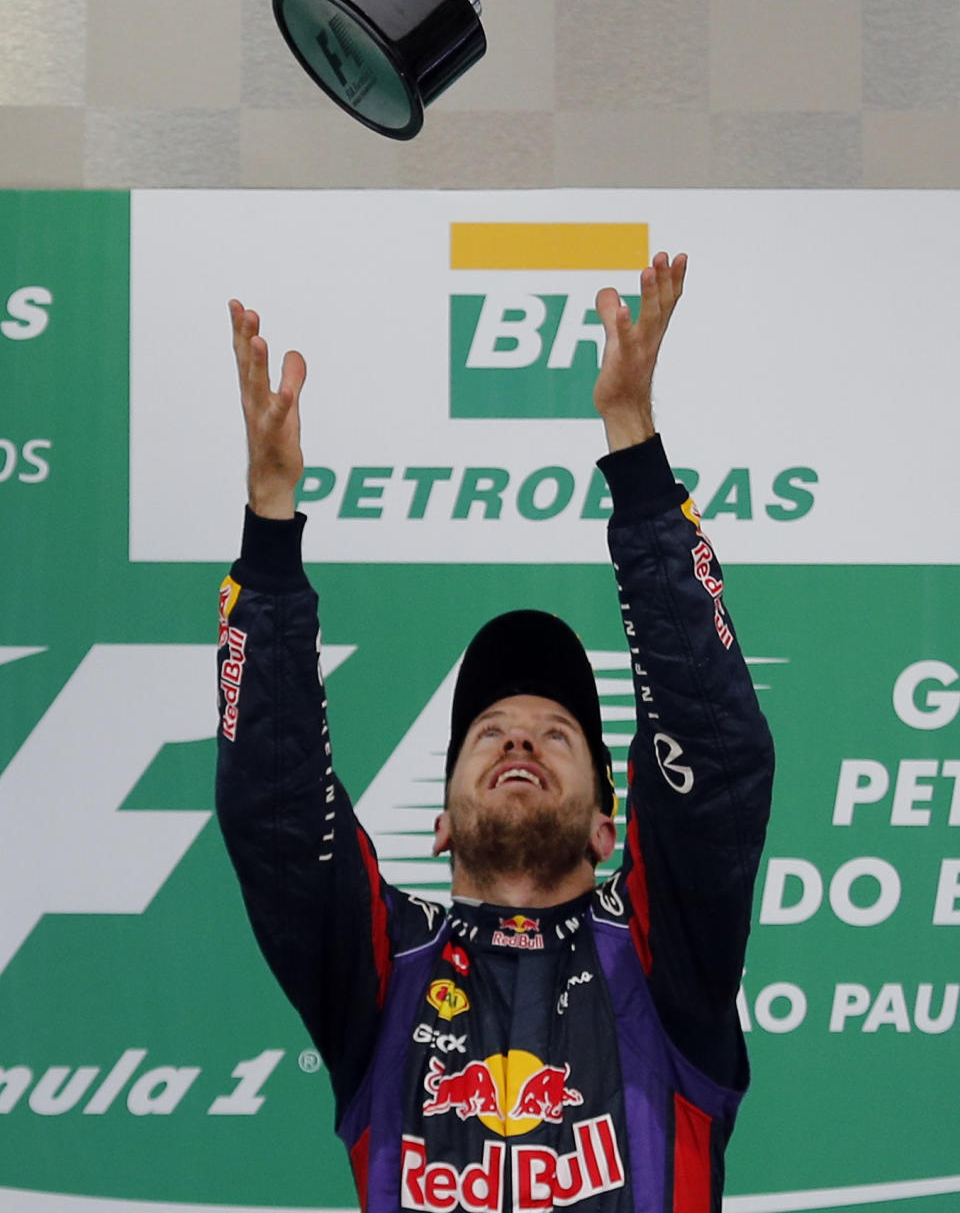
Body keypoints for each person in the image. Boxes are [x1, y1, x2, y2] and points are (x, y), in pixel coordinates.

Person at [216, 252, 774, 1213]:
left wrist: (636, 454)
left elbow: (713, 751)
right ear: (438, 821)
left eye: (557, 733)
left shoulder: (660, 957)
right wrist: (270, 528)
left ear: (610, 825)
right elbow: (273, 808)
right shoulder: (383, 967)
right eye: (491, 734)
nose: (519, 741)